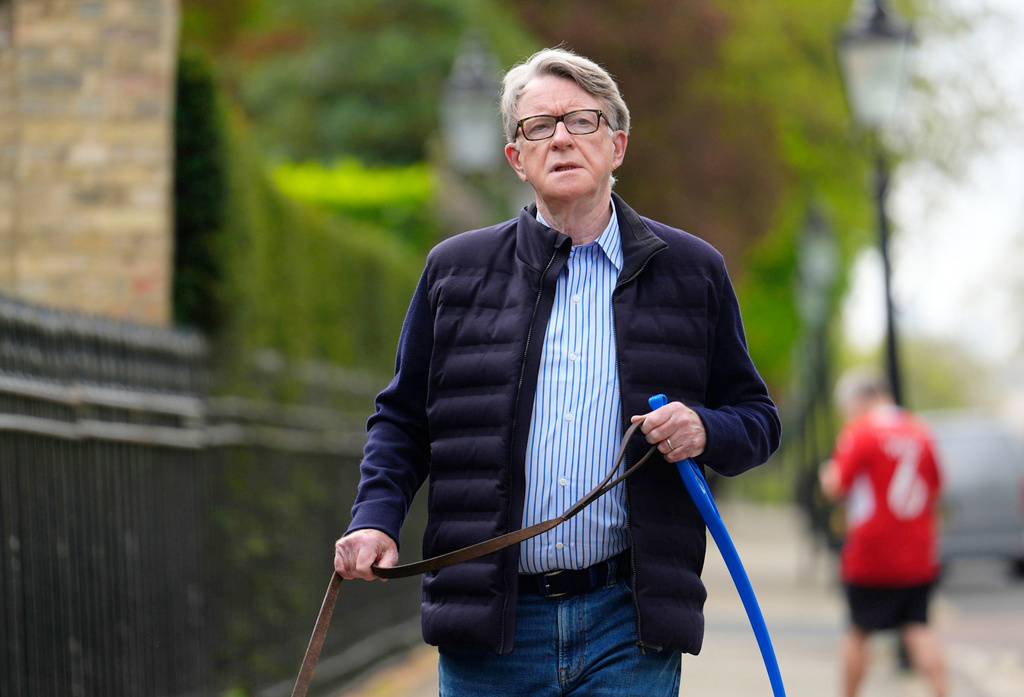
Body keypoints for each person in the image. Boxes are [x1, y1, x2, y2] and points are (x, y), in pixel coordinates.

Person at [334, 47, 781, 696]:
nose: (562, 137)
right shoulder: (455, 272)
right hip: (490, 625)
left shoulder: (692, 272)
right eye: (539, 126)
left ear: (617, 145)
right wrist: (373, 517)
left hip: (626, 623)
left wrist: (704, 429)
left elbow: (758, 419)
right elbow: (403, 421)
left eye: (583, 120)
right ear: (517, 158)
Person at [819, 367, 948, 697]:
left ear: (861, 400)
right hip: (917, 550)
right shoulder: (921, 431)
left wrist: (825, 474)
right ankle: (941, 691)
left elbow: (836, 485)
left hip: (871, 550)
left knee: (859, 630)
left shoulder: (860, 433)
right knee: (918, 627)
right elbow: (937, 486)